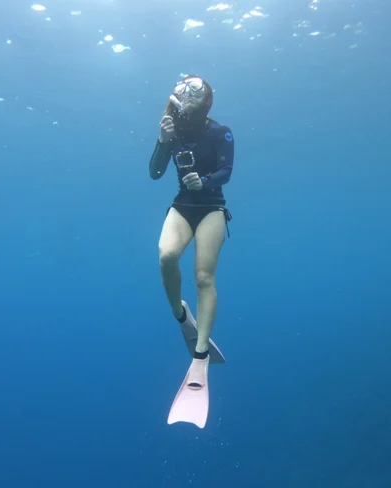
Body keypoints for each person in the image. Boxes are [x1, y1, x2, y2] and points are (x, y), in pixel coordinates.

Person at [148, 74, 234, 428]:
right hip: (183, 205)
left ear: (207, 101)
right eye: (183, 88)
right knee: (167, 255)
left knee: (203, 276)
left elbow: (227, 171)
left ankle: (200, 356)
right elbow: (155, 172)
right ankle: (180, 315)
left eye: (195, 90)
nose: (186, 93)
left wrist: (206, 181)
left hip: (212, 207)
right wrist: (162, 141)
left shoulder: (221, 132)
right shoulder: (173, 129)